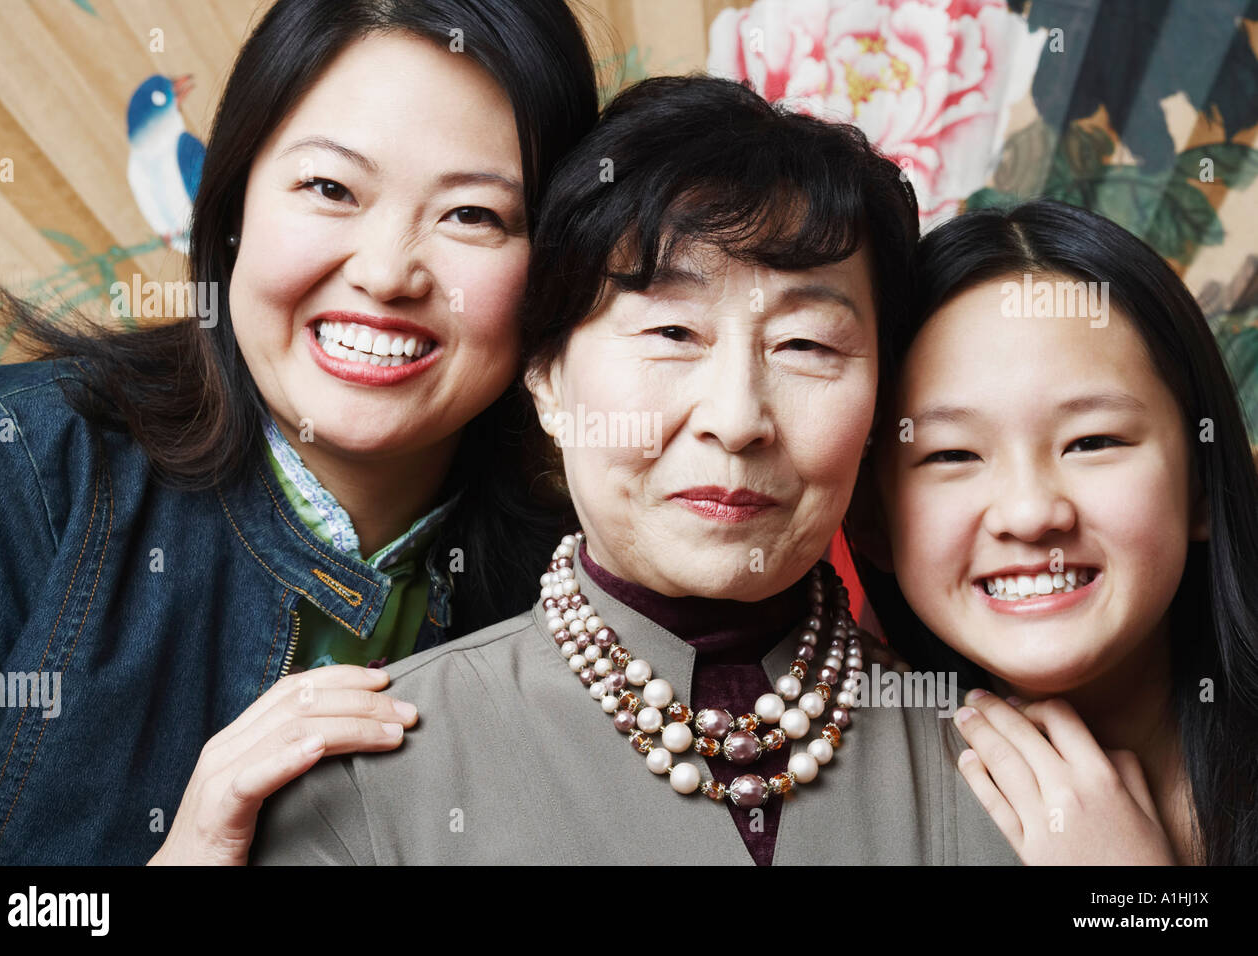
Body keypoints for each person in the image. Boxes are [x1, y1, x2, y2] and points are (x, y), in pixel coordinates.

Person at [249, 75, 1019, 865]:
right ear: (546, 377)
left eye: (806, 346)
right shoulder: (368, 778)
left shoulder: (1016, 777)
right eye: (673, 332)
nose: (737, 418)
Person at [0, 0, 597, 865]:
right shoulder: (4, 472)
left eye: (473, 216)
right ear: (230, 206)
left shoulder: (582, 600)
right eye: (330, 189)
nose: (385, 273)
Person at [850, 200, 1258, 865]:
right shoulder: (849, 804)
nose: (1031, 512)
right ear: (872, 522)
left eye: (1092, 441)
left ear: (1203, 483)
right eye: (953, 454)